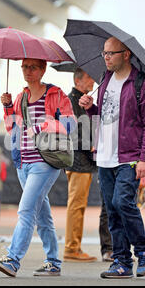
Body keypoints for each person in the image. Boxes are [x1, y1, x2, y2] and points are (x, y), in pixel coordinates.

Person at [0, 58, 75, 277]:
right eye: (24, 67)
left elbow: (70, 124)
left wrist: (40, 126)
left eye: (33, 67)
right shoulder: (21, 97)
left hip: (45, 162)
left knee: (26, 211)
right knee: (43, 216)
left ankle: (12, 259)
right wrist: (8, 107)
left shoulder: (55, 94)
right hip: (22, 162)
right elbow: (12, 130)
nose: (27, 71)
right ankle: (53, 262)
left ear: (43, 69)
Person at [79, 36, 145, 278]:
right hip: (104, 156)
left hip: (130, 156)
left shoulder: (142, 83)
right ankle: (122, 262)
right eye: (104, 53)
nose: (106, 57)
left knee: (123, 203)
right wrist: (90, 107)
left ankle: (144, 250)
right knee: (112, 210)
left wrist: (144, 158)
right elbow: (103, 115)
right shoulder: (105, 80)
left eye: (111, 53)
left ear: (126, 54)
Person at [63, 68, 98, 262]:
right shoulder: (73, 101)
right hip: (79, 160)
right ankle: (72, 248)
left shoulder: (78, 100)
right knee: (77, 205)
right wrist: (92, 145)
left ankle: (73, 246)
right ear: (78, 80)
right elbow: (75, 130)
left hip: (79, 159)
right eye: (89, 77)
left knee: (77, 205)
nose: (92, 81)